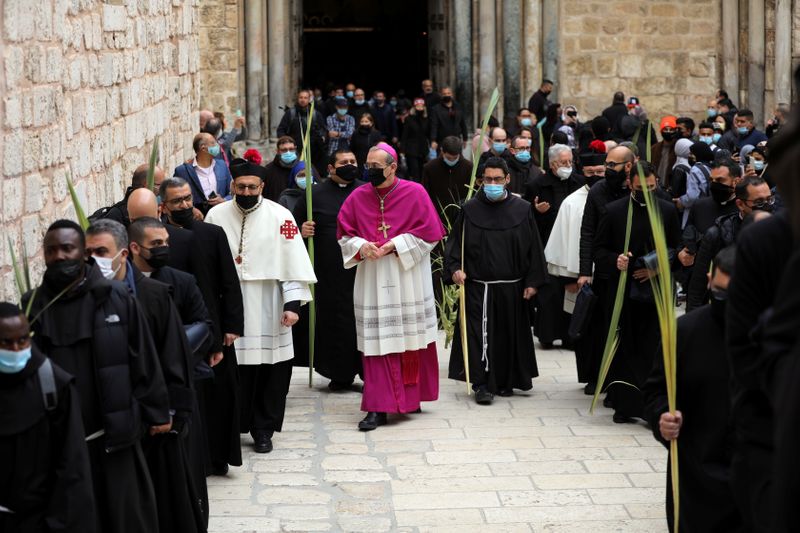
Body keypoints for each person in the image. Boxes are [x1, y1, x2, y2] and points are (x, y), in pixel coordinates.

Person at [23, 220, 170, 533]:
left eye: (67, 248)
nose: (60, 256)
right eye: (52, 250)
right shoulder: (32, 306)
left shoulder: (116, 298)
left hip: (113, 436)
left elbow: (142, 356)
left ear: (82, 253)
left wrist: (157, 411)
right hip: (60, 444)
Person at [87, 218, 206, 532]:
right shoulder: (87, 301)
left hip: (157, 425)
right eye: (89, 254)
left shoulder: (154, 295)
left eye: (102, 251)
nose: (94, 261)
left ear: (124, 253)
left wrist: (170, 414)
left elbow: (173, 358)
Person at [205, 158, 316, 454]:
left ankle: (263, 429)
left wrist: (293, 305)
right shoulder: (215, 216)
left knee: (270, 372)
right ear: (232, 186)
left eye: (252, 187)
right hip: (229, 304)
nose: (246, 191)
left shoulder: (282, 217)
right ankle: (231, 427)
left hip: (269, 304)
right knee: (232, 373)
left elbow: (293, 262)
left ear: (262, 187)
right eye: (241, 186)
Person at [337, 143, 446, 430]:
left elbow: (431, 236)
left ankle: (411, 398)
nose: (369, 171)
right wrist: (362, 246)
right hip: (373, 278)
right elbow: (345, 235)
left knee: (409, 340)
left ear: (393, 167)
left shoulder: (415, 193)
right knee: (377, 343)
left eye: (375, 167)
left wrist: (395, 245)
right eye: (368, 165)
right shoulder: (358, 196)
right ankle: (377, 407)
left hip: (407, 275)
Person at [643, 246, 742, 532]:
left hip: (756, 478)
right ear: (710, 280)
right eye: (721, 293)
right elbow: (655, 392)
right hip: (695, 477)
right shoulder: (684, 333)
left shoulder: (775, 333)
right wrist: (662, 417)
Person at [159, 176, 245, 476]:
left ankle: (218, 457)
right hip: (176, 329)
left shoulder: (212, 234)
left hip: (215, 329)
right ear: (163, 206)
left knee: (220, 395)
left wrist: (232, 326)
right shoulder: (159, 240)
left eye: (186, 198)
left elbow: (228, 282)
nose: (183, 205)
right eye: (176, 201)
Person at [445, 157, 545, 403]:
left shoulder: (522, 210)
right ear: (481, 181)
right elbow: (454, 246)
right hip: (480, 288)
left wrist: (532, 282)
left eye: (497, 179)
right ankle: (482, 384)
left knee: (507, 336)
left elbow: (534, 248)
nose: (492, 183)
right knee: (481, 336)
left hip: (513, 287)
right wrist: (455, 268)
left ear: (507, 179)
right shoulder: (469, 210)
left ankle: (505, 381)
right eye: (487, 179)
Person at [593, 162, 681, 422]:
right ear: (630, 184)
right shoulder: (614, 211)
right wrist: (615, 261)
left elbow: (677, 249)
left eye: (652, 187)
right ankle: (625, 404)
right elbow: (599, 250)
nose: (647, 191)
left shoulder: (666, 211)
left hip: (656, 292)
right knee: (625, 347)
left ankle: (652, 405)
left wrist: (655, 270)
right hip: (623, 291)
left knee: (653, 346)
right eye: (642, 187)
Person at [0, 303, 97, 533]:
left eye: (22, 340)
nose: (16, 349)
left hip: (41, 521)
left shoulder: (54, 385)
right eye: (6, 343)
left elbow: (73, 468)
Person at [292, 150, 365, 390]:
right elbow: (292, 227)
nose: (350, 165)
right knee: (335, 322)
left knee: (362, 320)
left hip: (363, 269)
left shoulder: (366, 190)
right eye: (344, 162)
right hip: (328, 270)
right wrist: (303, 230)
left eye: (353, 162)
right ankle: (339, 374)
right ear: (331, 168)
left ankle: (368, 373)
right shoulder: (314, 195)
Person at [546, 141, 606, 384]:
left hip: (609, 273)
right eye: (590, 173)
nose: (595, 176)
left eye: (600, 172)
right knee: (585, 328)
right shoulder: (572, 202)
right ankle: (590, 377)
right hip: (580, 278)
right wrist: (569, 279)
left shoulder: (616, 196)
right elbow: (560, 242)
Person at [576, 146, 633, 393]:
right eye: (606, 164)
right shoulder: (598, 191)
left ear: (628, 167)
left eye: (612, 165)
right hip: (606, 268)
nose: (607, 169)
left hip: (634, 269)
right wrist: (584, 270)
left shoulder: (639, 188)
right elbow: (588, 232)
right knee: (601, 324)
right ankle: (599, 375)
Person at [525, 144, 585, 349]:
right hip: (548, 247)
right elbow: (527, 220)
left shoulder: (579, 182)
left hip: (572, 244)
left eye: (570, 162)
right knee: (550, 294)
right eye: (563, 162)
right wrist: (536, 211)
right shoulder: (537, 185)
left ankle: (570, 335)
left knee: (571, 293)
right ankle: (547, 335)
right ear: (552, 165)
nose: (568, 166)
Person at [687, 174, 773, 311]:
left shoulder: (782, 229)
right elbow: (698, 284)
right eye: (759, 202)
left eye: (769, 200)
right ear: (740, 204)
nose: (767, 206)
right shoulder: (716, 234)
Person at [174, 132, 232, 215]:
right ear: (203, 148)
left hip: (219, 216)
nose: (217, 145)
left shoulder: (222, 165)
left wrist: (224, 200)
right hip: (195, 220)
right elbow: (175, 196)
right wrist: (191, 209)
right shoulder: (182, 171)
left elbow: (232, 192)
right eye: (213, 143)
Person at [90, 164, 167, 225]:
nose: (163, 189)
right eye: (161, 185)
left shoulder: (161, 207)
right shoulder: (117, 216)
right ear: (147, 186)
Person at [421, 135, 472, 224]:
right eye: (448, 158)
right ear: (442, 151)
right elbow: (425, 193)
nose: (452, 160)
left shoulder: (469, 167)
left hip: (461, 216)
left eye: (455, 158)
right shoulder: (430, 168)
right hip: (437, 217)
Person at [276, 88, 328, 175]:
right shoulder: (290, 113)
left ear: (309, 99)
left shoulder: (315, 114)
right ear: (297, 98)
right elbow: (281, 130)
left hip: (313, 153)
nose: (303, 100)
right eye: (301, 97)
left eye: (305, 98)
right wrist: (285, 143)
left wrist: (322, 137)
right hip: (294, 151)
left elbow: (323, 130)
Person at [400, 98, 430, 182]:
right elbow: (404, 135)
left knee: (422, 171)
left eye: (421, 106)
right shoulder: (409, 119)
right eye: (417, 106)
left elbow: (428, 134)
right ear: (414, 107)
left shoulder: (427, 119)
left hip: (423, 149)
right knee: (414, 172)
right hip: (411, 149)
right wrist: (402, 150)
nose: (419, 108)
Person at [263, 136, 298, 202]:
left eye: (291, 149)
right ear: (278, 151)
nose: (288, 152)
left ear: (295, 149)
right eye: (284, 150)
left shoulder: (303, 167)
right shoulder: (268, 170)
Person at [651, 116, 678, 185]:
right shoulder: (654, 148)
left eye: (671, 129)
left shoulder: (678, 148)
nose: (668, 132)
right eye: (665, 129)